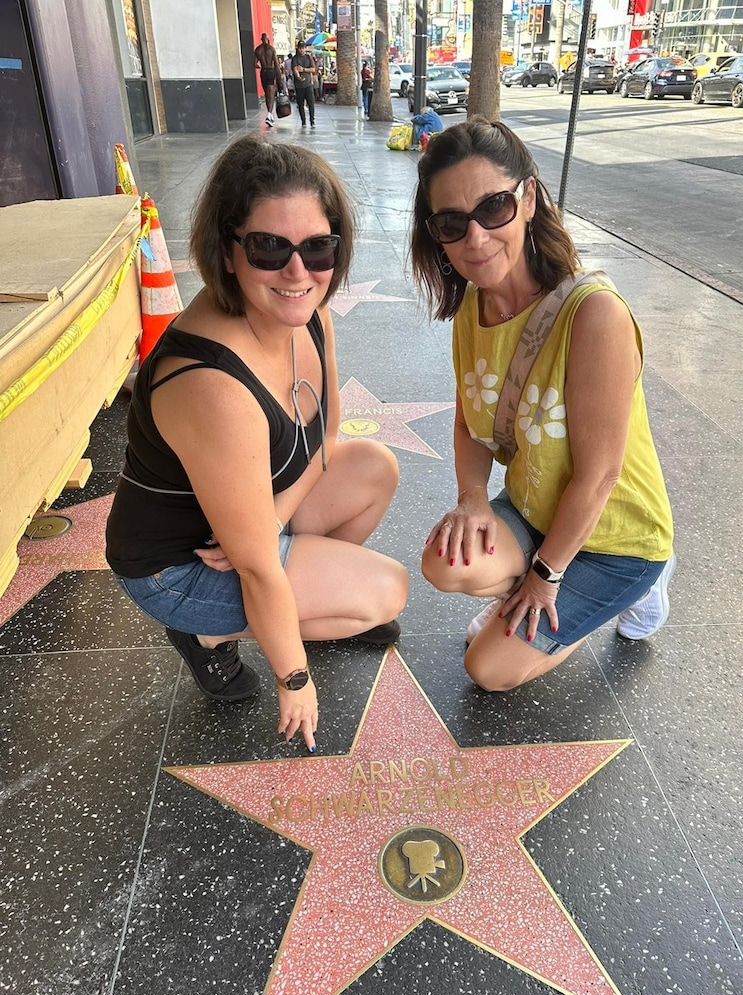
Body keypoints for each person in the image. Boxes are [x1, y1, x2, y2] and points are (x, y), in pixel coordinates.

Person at [106, 136, 408, 752]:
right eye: (270, 248)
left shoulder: (308, 314)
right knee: (386, 591)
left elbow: (326, 437)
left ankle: (302, 604)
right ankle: (210, 635)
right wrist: (293, 677)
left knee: (374, 467)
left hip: (245, 520)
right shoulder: (212, 384)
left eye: (318, 247)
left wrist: (269, 520)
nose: (298, 272)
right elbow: (252, 564)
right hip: (178, 566)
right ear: (228, 250)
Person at [409, 120, 674, 693]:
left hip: (616, 538)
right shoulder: (470, 311)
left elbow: (601, 474)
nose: (475, 239)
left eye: (494, 207)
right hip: (536, 512)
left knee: (488, 671)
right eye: (453, 223)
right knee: (444, 560)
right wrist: (473, 501)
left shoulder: (594, 315)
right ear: (437, 235)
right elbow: (468, 421)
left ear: (528, 198)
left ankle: (638, 589)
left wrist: (544, 578)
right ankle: (540, 591)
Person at [254, 33, 283, 126]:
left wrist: (260, 66)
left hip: (263, 72)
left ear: (261, 39)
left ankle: (270, 116)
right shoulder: (271, 49)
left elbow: (255, 64)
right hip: (271, 71)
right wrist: (279, 79)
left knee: (267, 94)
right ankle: (269, 115)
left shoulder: (258, 50)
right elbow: (277, 65)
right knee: (271, 94)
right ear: (267, 39)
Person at [292, 41, 317, 128]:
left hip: (308, 84)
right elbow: (295, 70)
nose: (302, 50)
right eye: (300, 48)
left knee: (311, 103)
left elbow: (313, 69)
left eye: (303, 48)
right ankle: (303, 121)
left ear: (305, 48)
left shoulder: (308, 57)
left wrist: (303, 69)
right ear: (298, 48)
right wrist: (299, 77)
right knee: (300, 104)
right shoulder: (295, 58)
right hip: (299, 86)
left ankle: (312, 120)